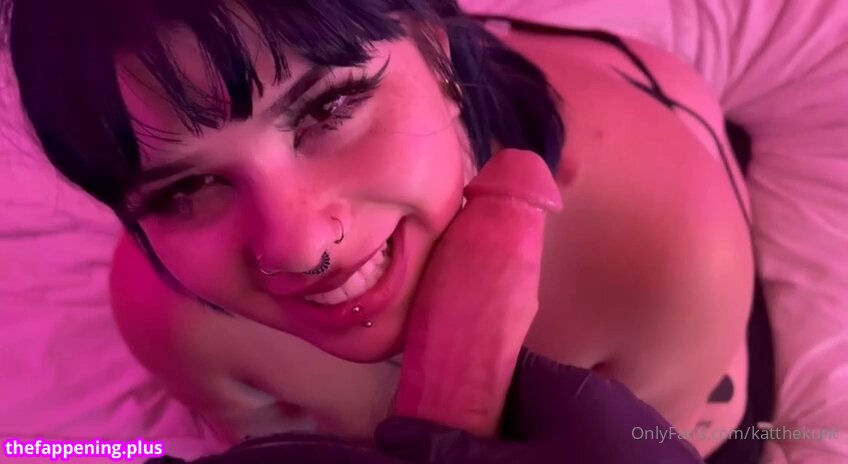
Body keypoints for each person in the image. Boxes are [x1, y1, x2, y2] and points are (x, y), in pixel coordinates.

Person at [3, 0, 766, 462]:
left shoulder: (664, 250)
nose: (299, 247)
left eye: (328, 108)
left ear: (433, 44)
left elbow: (661, 442)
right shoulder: (176, 322)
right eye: (188, 188)